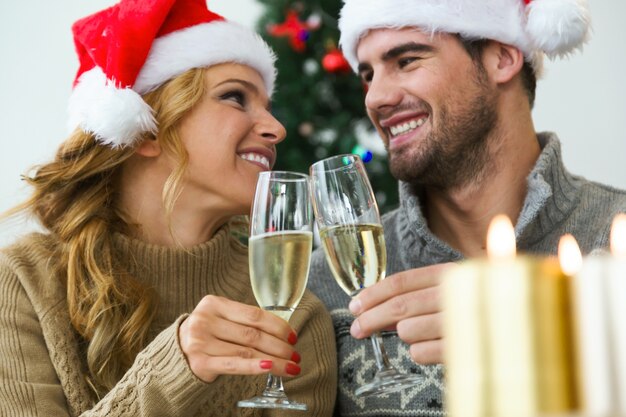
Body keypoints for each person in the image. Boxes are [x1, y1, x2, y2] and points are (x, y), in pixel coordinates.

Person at [0, 0, 337, 415]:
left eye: (267, 106)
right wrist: (172, 369)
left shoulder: (295, 316)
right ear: (146, 129)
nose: (276, 128)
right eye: (235, 97)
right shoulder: (23, 281)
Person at [308, 0, 626, 415]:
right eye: (368, 75)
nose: (376, 98)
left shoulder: (613, 238)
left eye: (406, 60)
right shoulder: (325, 287)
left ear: (502, 57)